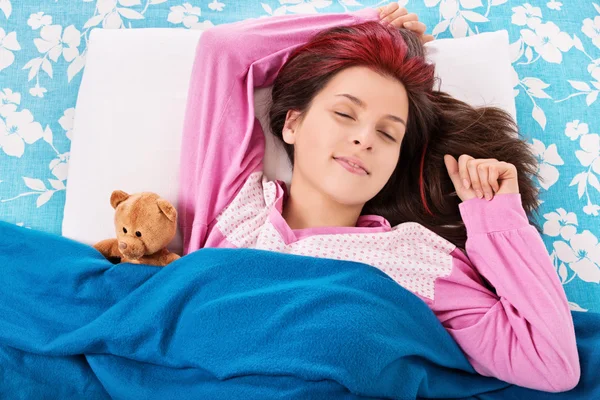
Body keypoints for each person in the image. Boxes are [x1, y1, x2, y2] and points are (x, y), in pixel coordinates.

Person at [177, 3, 580, 393]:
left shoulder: (415, 258)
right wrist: (371, 24)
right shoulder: (234, 203)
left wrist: (498, 221)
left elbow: (551, 364)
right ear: (293, 124)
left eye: (388, 134)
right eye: (345, 114)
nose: (364, 139)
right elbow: (223, 50)